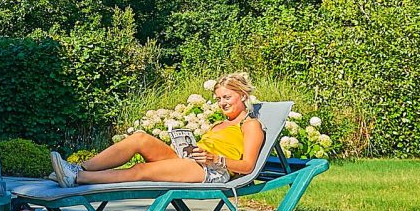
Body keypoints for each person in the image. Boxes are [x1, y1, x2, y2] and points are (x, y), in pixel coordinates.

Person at [48, 71, 264, 188]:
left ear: (243, 95)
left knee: (141, 171)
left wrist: (215, 159)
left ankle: (77, 179)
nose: (222, 103)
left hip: (212, 171)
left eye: (227, 97)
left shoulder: (250, 125)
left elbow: (248, 166)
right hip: (194, 161)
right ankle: (77, 168)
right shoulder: (219, 123)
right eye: (218, 99)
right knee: (140, 138)